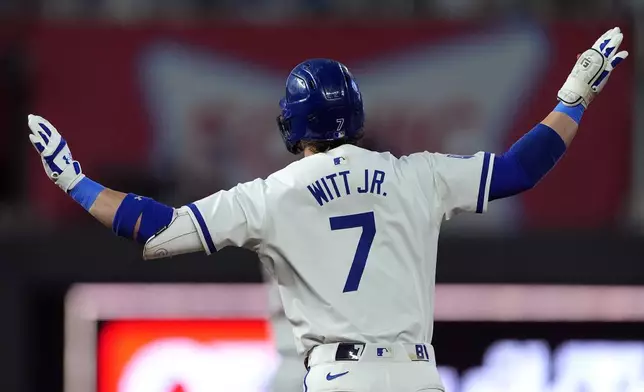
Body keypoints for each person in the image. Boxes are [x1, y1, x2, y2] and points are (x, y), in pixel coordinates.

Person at [27, 28, 627, 392]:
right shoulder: (415, 174)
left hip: (340, 377)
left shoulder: (275, 194)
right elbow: (522, 168)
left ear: (292, 123)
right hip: (417, 375)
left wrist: (77, 183)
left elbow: (157, 227)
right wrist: (573, 100)